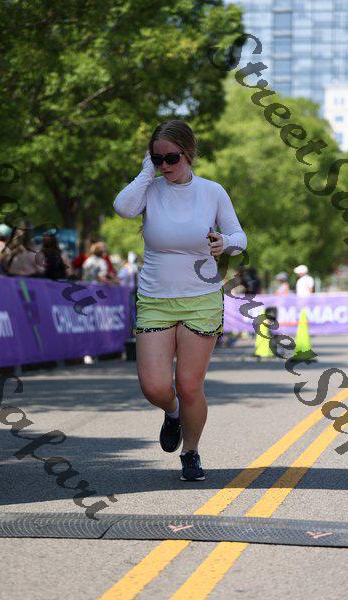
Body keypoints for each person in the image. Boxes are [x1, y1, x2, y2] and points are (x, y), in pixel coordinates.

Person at [113, 119, 247, 482]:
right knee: (154, 386)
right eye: (157, 159)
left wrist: (225, 242)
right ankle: (172, 413)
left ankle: (191, 452)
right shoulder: (149, 189)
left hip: (201, 298)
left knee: (189, 385)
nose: (165, 166)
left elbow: (239, 236)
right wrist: (146, 172)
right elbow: (123, 208)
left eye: (171, 158)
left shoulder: (212, 191)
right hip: (155, 298)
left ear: (188, 154)